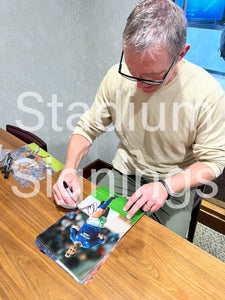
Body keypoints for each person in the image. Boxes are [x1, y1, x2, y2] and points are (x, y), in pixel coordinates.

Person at [53, 0, 225, 238]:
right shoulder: (116, 76)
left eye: (152, 76)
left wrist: (165, 187)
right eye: (132, 71)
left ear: (181, 54)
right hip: (125, 173)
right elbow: (87, 128)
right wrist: (69, 169)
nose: (138, 83)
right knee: (85, 235)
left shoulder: (208, 92)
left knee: (164, 259)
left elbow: (213, 162)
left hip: (173, 183)